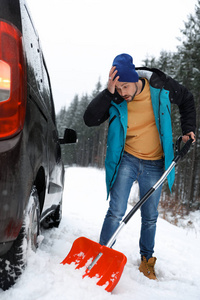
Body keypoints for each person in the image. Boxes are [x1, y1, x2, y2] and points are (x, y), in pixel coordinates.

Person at [83, 53, 196, 280]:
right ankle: (103, 255)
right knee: (116, 211)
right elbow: (90, 119)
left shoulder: (159, 86)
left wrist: (187, 130)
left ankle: (147, 260)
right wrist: (108, 92)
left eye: (125, 86)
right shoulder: (114, 97)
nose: (123, 92)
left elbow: (187, 99)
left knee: (150, 215)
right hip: (127, 158)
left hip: (156, 162)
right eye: (119, 87)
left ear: (135, 79)